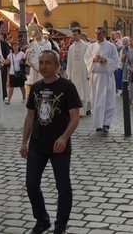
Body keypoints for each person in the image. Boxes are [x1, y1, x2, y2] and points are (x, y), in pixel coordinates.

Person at [21, 50, 82, 234]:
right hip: (37, 145)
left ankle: (60, 225)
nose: (43, 66)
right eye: (40, 62)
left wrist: (64, 137)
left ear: (57, 66)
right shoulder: (36, 87)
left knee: (63, 187)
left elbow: (75, 117)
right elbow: (30, 116)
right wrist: (24, 142)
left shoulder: (67, 87)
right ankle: (42, 220)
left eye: (48, 63)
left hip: (59, 146)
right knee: (31, 184)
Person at [84, 26, 120, 132]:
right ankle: (98, 124)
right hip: (95, 77)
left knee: (108, 100)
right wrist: (93, 59)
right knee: (96, 101)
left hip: (106, 76)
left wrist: (106, 60)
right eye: (96, 33)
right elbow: (86, 59)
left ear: (104, 34)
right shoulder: (91, 47)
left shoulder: (111, 46)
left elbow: (116, 60)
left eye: (100, 33)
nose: (97, 35)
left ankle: (106, 123)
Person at [64, 28, 91, 116]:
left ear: (80, 35)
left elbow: (89, 60)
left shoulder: (86, 46)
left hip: (83, 72)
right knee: (76, 91)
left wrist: (88, 72)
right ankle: (78, 111)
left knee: (84, 91)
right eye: (73, 35)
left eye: (75, 35)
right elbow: (69, 61)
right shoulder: (71, 47)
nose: (74, 37)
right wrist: (69, 74)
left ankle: (85, 109)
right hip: (74, 73)